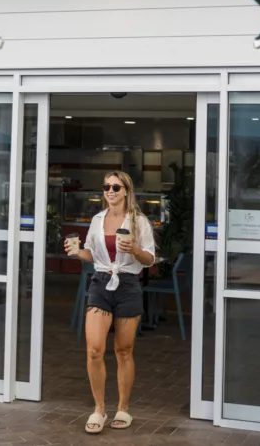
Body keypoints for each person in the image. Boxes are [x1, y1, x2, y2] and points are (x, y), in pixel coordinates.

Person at [64, 170, 156, 434]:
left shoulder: (139, 221)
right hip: (101, 284)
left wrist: (135, 251)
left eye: (116, 187)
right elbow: (92, 254)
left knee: (124, 351)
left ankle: (123, 408)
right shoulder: (97, 219)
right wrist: (76, 252)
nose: (111, 191)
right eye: (106, 187)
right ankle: (99, 409)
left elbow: (150, 259)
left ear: (126, 190)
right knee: (94, 349)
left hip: (128, 285)